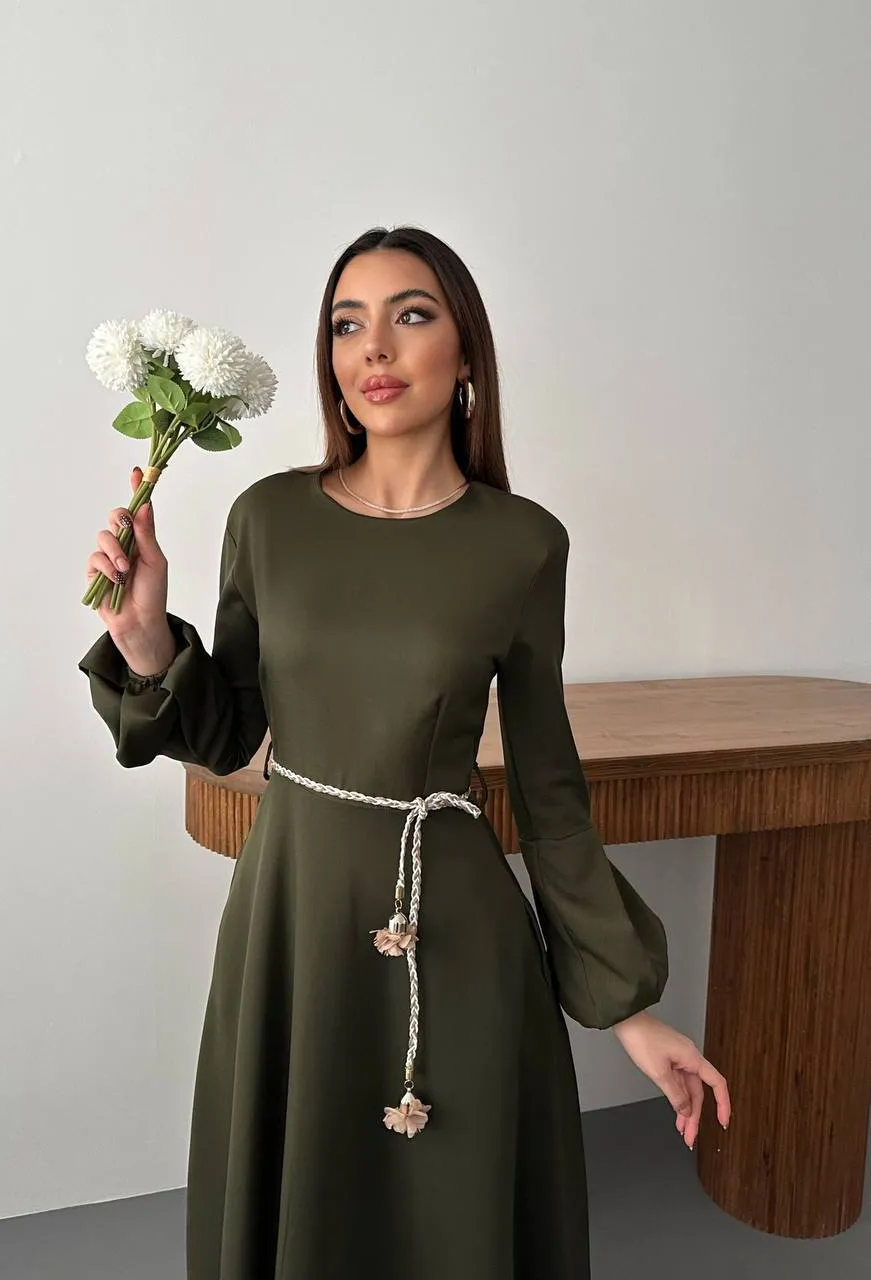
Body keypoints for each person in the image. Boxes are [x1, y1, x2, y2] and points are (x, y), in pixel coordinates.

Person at [78, 226, 731, 1280]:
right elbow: (229, 730)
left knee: (445, 1219)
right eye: (347, 324)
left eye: (410, 315)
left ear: (465, 351)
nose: (373, 348)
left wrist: (631, 1013)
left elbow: (550, 793)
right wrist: (145, 638)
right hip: (291, 917)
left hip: (456, 932)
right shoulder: (267, 517)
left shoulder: (523, 542)